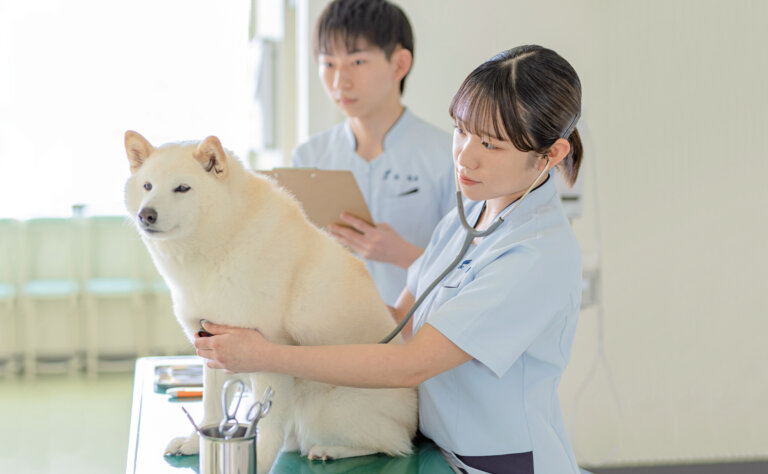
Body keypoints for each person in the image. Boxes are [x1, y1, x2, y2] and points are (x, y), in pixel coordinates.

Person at [197, 45, 585, 474]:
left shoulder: (536, 254)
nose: (464, 156)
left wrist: (264, 355)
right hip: (434, 450)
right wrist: (280, 305)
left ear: (551, 154)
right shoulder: (470, 213)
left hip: (496, 463)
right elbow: (397, 320)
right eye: (461, 130)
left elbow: (411, 362)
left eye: (490, 145)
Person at [292, 0, 455, 305]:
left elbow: (472, 274)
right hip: (328, 339)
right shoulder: (308, 157)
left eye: (357, 62)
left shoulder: (449, 157)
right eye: (328, 64)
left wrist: (404, 255)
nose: (340, 81)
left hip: (416, 339)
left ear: (399, 65)